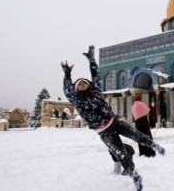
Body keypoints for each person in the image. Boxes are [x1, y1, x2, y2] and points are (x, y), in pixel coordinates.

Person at [61, 45, 165, 191]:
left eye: (85, 82)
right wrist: (67, 75)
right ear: (76, 88)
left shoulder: (95, 91)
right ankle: (135, 176)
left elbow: (96, 75)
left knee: (136, 135)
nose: (83, 84)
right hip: (103, 130)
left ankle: (154, 146)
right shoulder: (77, 100)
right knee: (120, 153)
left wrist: (91, 60)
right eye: (79, 84)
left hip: (113, 121)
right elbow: (68, 90)